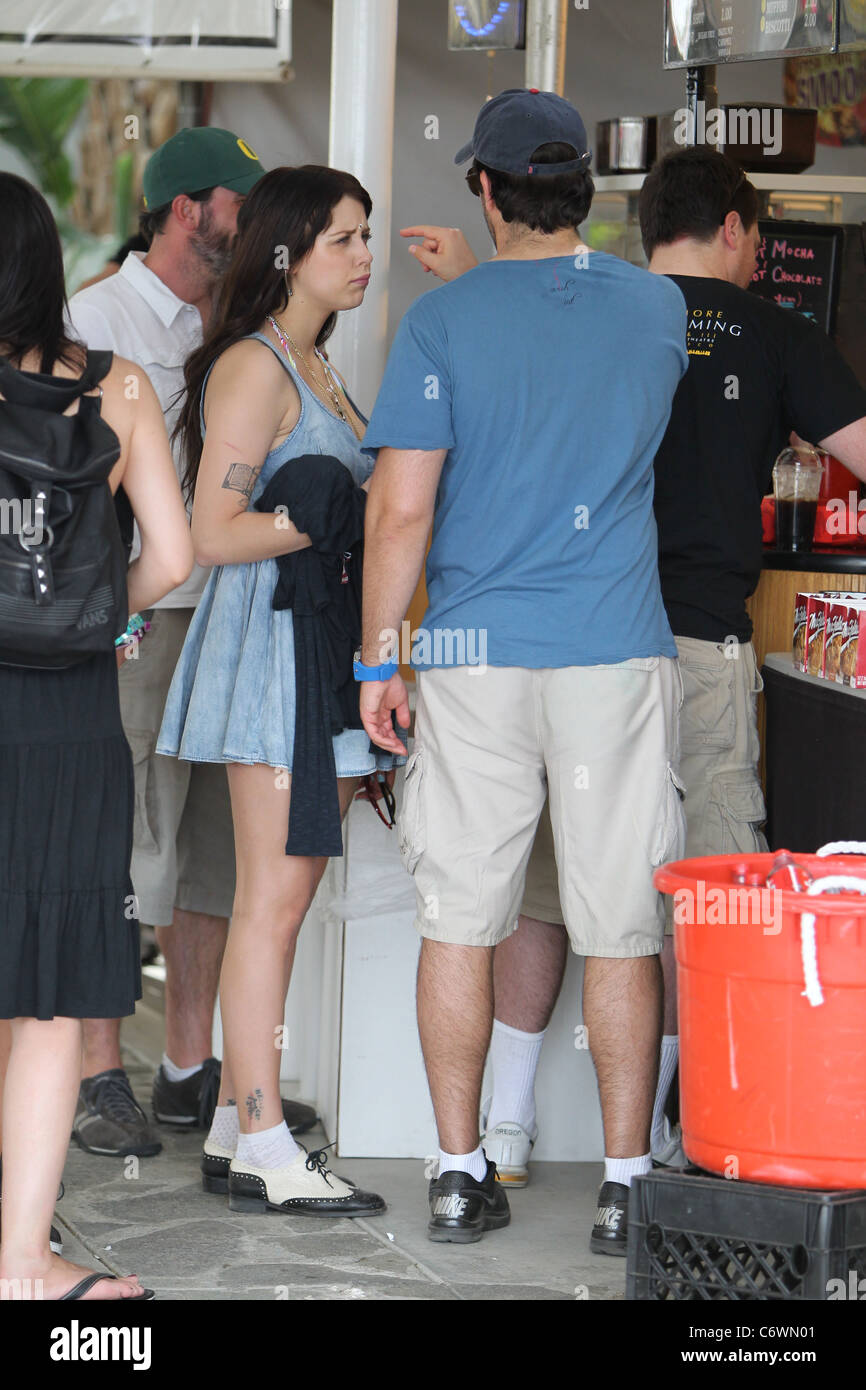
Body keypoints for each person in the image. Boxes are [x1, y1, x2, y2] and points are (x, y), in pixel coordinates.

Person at [410, 147, 866, 1201]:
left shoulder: (604, 313)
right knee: (700, 893)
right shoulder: (775, 331)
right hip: (695, 643)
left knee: (526, 889)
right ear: (740, 229)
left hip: (565, 637)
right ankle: (683, 1135)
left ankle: (506, 1128)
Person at [358, 88, 689, 1250]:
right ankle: (623, 1185)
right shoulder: (655, 307)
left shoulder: (440, 328)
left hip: (468, 654)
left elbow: (400, 511)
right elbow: (566, 340)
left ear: (486, 192)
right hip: (612, 649)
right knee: (619, 928)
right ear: (586, 193)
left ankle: (456, 1174)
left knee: (458, 918)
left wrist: (375, 658)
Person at [67, 127, 316, 1156]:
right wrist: (107, 613)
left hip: (234, 618)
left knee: (213, 857)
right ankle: (94, 1076)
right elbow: (74, 494)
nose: (253, 225)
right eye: (238, 205)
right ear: (185, 210)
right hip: (140, 620)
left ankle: (183, 1069)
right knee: (122, 847)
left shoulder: (243, 318)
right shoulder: (94, 316)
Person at [157, 164, 395, 1217]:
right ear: (292, 250)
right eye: (345, 237)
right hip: (271, 650)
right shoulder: (258, 367)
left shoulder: (315, 361)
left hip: (321, 654)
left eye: (367, 235)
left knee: (291, 895)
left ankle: (232, 1119)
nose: (364, 255)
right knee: (276, 898)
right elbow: (209, 532)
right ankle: (259, 1133)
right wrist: (320, 521)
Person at [0, 172, 193, 1299]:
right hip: (69, 720)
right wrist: (89, 614)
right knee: (42, 1003)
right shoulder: (115, 389)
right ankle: (22, 1265)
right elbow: (169, 559)